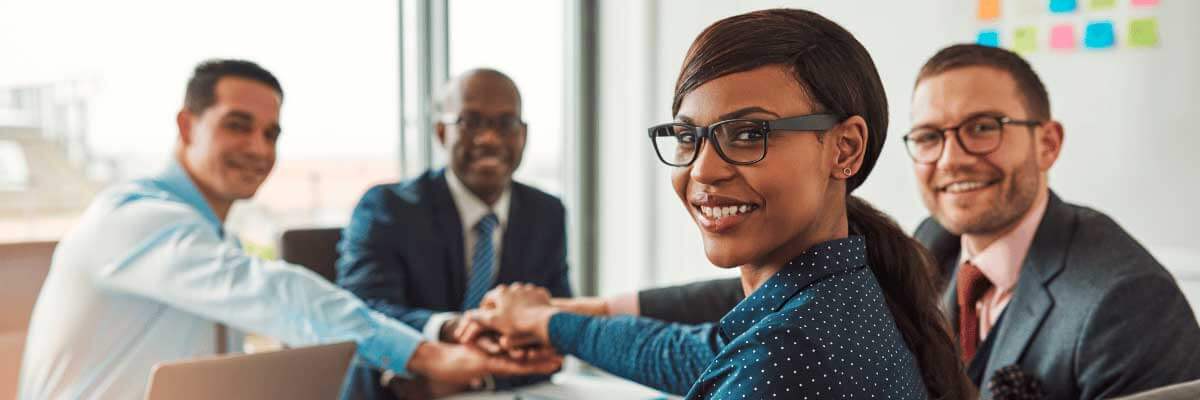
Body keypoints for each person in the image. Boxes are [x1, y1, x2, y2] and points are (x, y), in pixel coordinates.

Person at [569, 43, 1200, 399]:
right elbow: (751, 303)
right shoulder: (933, 245)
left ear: (1047, 143)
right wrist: (595, 310)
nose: (951, 158)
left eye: (983, 129)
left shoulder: (1123, 300)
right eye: (928, 136)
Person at [460, 9, 974, 399]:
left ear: (845, 148)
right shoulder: (839, 295)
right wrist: (544, 321)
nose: (703, 170)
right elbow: (687, 353)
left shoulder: (784, 358)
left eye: (749, 134)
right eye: (688, 137)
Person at [17, 60, 558, 400]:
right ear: (186, 125)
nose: (259, 148)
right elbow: (275, 291)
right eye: (237, 125)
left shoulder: (209, 239)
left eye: (272, 132)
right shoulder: (131, 219)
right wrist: (426, 353)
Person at [337, 68, 570, 399]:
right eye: (470, 122)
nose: (489, 138)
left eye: (506, 123)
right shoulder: (388, 207)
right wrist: (452, 329)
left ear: (524, 135)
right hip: (399, 391)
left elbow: (557, 322)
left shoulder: (546, 213)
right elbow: (363, 312)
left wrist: (476, 377)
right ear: (441, 132)